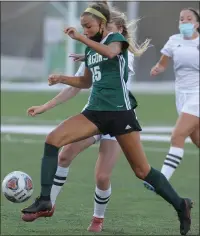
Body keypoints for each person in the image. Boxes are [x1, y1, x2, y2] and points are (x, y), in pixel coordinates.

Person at [21, 3, 193, 235]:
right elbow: (85, 82)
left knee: (142, 171)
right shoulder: (92, 49)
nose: (85, 30)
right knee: (53, 140)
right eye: (83, 27)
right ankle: (45, 201)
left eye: (88, 26)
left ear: (102, 24)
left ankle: (180, 204)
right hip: (94, 113)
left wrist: (82, 39)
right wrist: (61, 80)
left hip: (120, 113)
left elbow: (111, 53)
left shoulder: (115, 39)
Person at [144, 8, 199, 192]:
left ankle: (160, 180)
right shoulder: (174, 41)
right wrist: (158, 68)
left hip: (197, 95)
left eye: (189, 19)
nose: (184, 22)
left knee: (177, 136)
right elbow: (163, 62)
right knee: (197, 139)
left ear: (197, 24)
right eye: (181, 19)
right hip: (181, 97)